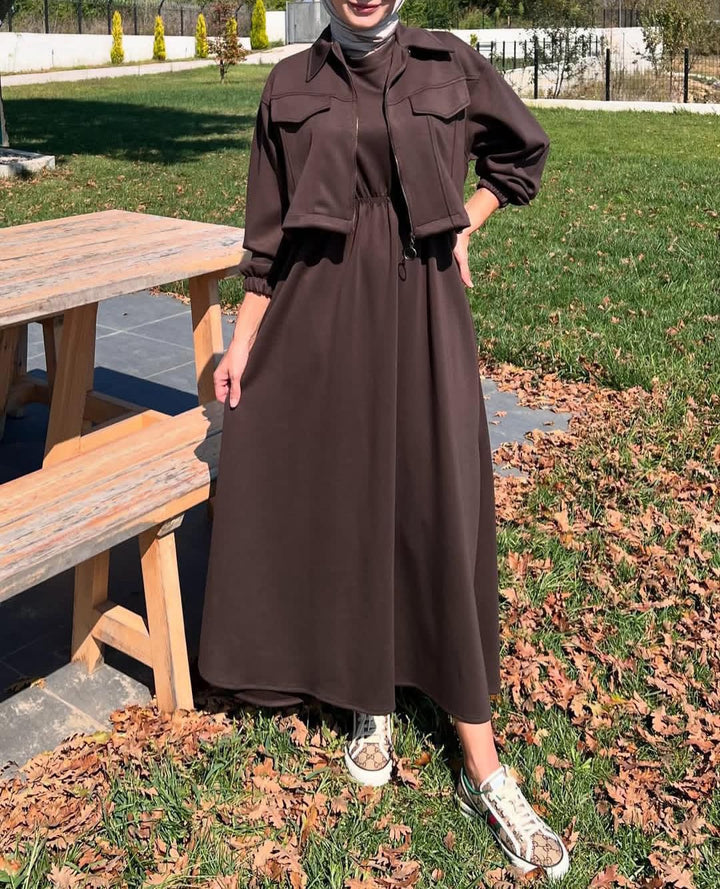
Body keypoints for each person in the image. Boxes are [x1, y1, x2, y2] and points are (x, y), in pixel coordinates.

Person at [197, 0, 569, 880]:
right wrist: (243, 341)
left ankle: (483, 760)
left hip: (426, 314)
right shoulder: (289, 83)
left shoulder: (450, 65)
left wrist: (468, 218)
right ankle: (370, 695)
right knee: (348, 495)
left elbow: (521, 152)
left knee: (438, 502)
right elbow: (267, 240)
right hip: (323, 319)